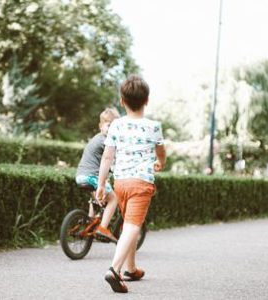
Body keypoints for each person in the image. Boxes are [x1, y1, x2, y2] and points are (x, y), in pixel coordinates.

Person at [96, 74, 166, 293]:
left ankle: (131, 268)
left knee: (129, 225)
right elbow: (161, 151)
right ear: (147, 100)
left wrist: (101, 184)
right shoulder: (153, 126)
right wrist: (160, 162)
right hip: (141, 183)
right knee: (132, 226)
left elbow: (107, 157)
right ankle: (114, 269)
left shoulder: (115, 125)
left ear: (122, 101)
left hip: (121, 183)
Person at [75, 108, 121, 242]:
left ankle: (90, 221)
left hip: (81, 175)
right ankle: (103, 228)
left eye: (115, 126)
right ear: (101, 126)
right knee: (113, 199)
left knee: (96, 197)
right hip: (91, 176)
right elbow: (114, 158)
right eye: (109, 125)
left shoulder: (96, 138)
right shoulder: (105, 141)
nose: (112, 129)